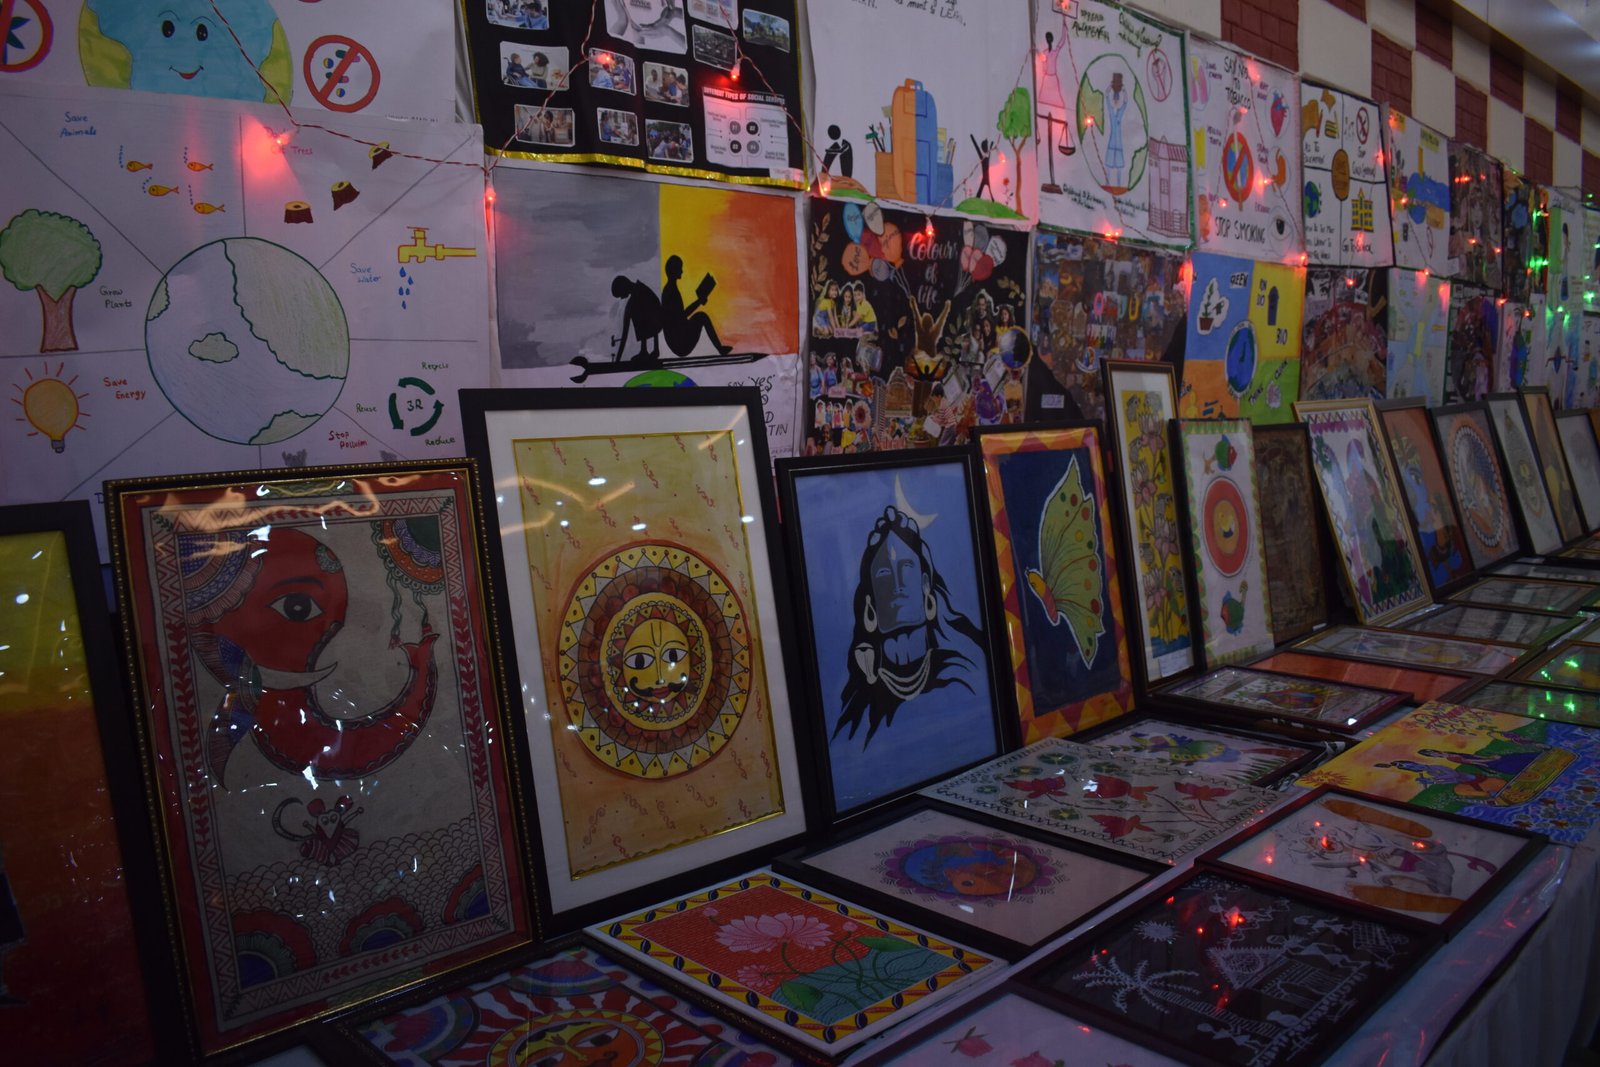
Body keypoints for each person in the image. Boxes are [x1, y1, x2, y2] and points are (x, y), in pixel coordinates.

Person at [660, 255, 731, 356]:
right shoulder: (670, 291)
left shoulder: (670, 289)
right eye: (680, 268)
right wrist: (699, 302)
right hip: (679, 343)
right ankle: (720, 348)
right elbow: (681, 316)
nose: (682, 271)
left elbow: (680, 316)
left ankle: (720, 348)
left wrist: (699, 301)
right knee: (702, 316)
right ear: (674, 270)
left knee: (701, 316)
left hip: (677, 338)